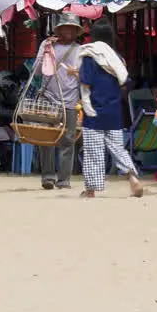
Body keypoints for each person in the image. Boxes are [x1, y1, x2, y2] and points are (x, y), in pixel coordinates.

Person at [78, 21, 144, 198]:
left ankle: (91, 190)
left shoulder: (90, 55)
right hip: (114, 110)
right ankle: (133, 179)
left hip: (94, 109)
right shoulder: (117, 57)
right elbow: (124, 83)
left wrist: (76, 75)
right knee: (117, 148)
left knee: (93, 150)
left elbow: (86, 81)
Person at [36, 14, 84, 190]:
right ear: (59, 29)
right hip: (48, 98)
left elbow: (82, 76)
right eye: (66, 27)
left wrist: (82, 98)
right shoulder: (47, 45)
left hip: (71, 100)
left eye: (73, 28)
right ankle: (48, 177)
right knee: (46, 139)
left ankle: (64, 180)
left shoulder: (80, 49)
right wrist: (45, 52)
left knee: (68, 141)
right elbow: (38, 71)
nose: (69, 30)